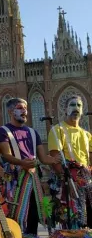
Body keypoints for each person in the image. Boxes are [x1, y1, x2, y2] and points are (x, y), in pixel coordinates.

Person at [0, 98, 58, 235]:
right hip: (14, 182)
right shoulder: (3, 131)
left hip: (33, 181)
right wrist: (22, 163)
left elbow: (43, 158)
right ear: (11, 111)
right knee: (14, 216)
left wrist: (56, 160)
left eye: (25, 108)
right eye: (20, 108)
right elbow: (6, 155)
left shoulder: (33, 132)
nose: (24, 111)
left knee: (33, 215)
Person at [47, 95, 92, 228]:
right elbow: (55, 161)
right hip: (67, 182)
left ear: (82, 110)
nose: (76, 108)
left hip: (86, 181)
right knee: (73, 222)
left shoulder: (87, 134)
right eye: (72, 105)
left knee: (88, 221)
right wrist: (67, 182)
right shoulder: (58, 130)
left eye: (79, 105)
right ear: (65, 109)